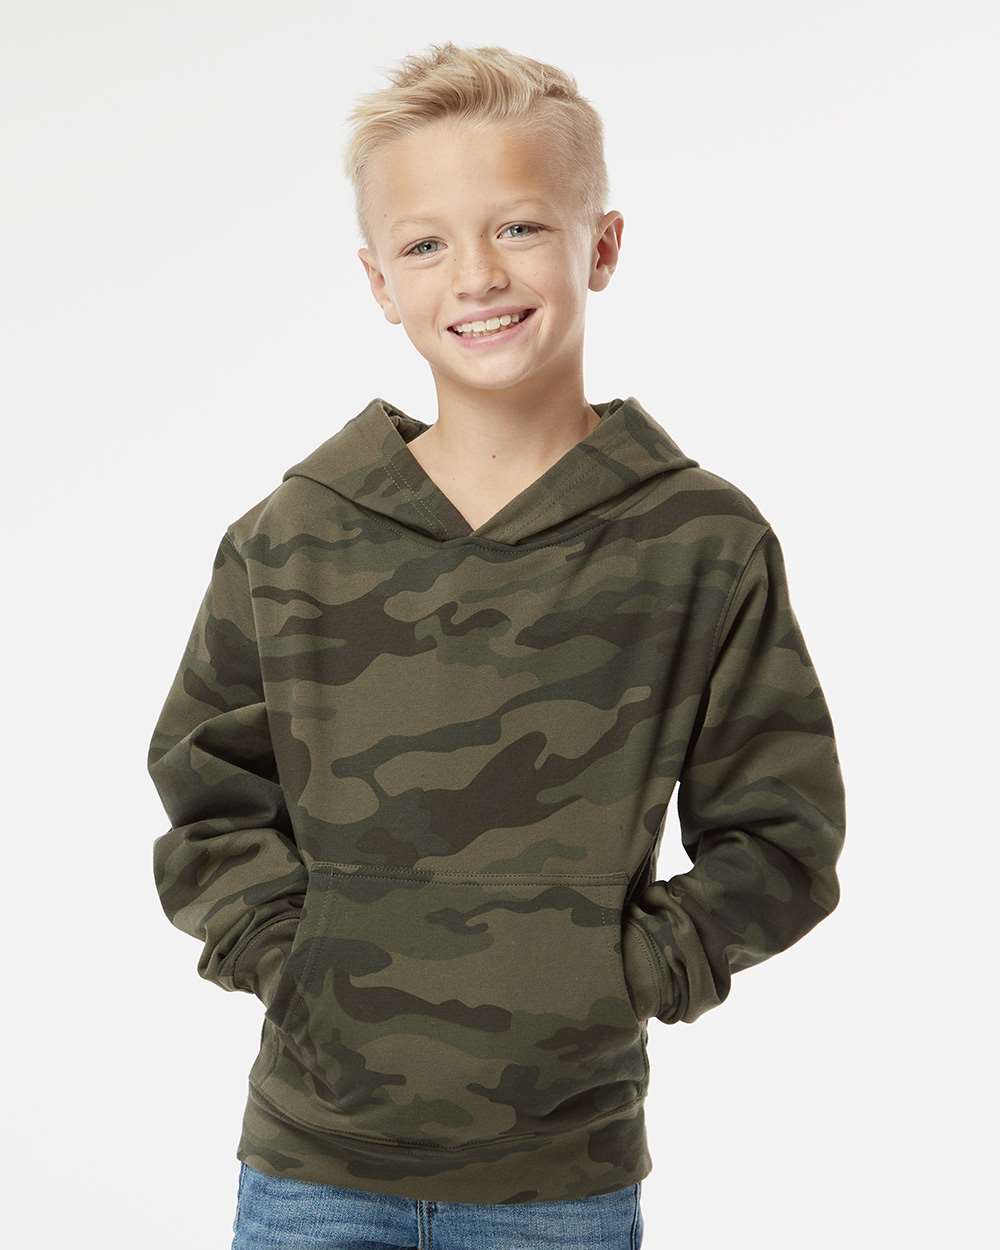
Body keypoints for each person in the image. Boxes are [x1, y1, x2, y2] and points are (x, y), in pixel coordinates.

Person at [147, 41, 846, 1250]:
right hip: (314, 1166)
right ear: (378, 281)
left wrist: (625, 974)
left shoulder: (700, 542)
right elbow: (209, 795)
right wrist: (296, 965)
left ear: (601, 245)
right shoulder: (291, 537)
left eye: (519, 227)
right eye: (424, 244)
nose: (475, 274)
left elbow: (782, 835)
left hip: (560, 1183)